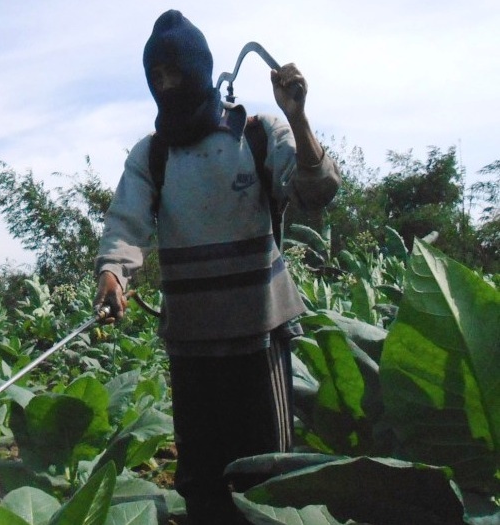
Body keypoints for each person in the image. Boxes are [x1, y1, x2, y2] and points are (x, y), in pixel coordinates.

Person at [93, 10, 341, 525]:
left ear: (200, 70)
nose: (166, 85)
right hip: (191, 342)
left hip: (259, 334)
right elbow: (126, 222)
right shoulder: (153, 155)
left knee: (267, 475)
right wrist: (113, 274)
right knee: (201, 478)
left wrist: (297, 115)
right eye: (156, 77)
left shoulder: (257, 134)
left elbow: (318, 192)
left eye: (175, 73)